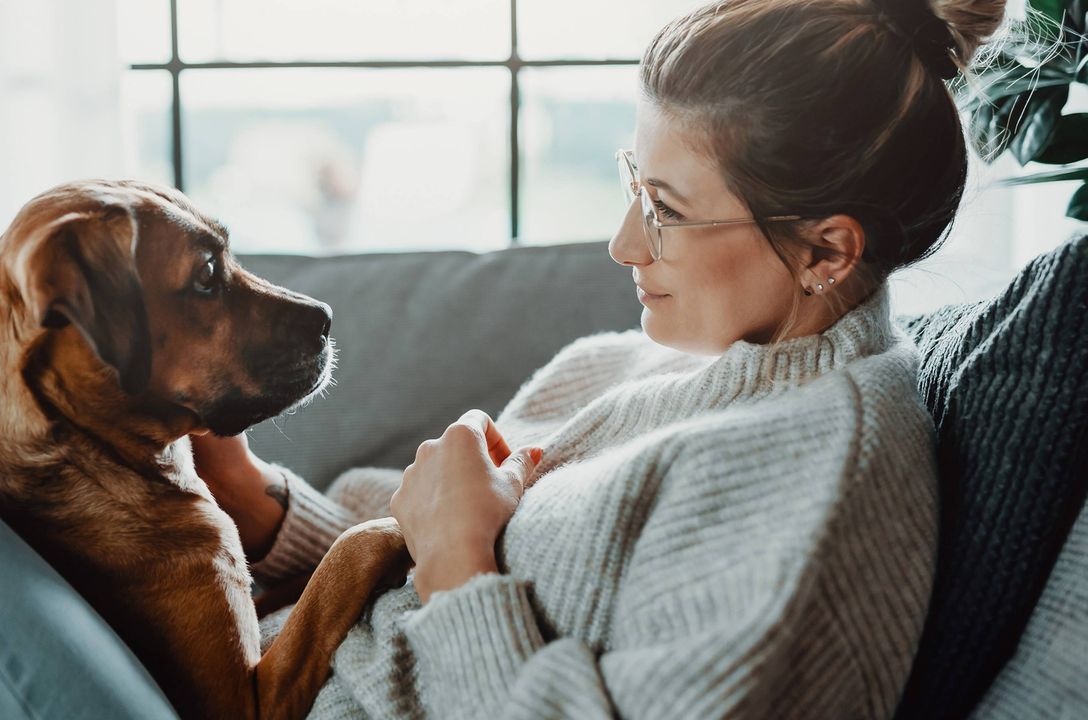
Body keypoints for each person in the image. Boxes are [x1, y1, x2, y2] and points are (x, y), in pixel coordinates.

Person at [188, 0, 1014, 717]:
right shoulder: (626, 366)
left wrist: (460, 567)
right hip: (260, 656)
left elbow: (444, 574)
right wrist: (257, 502)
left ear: (827, 251)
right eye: (633, 184)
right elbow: (403, 572)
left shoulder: (820, 483)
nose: (623, 245)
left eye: (664, 209)